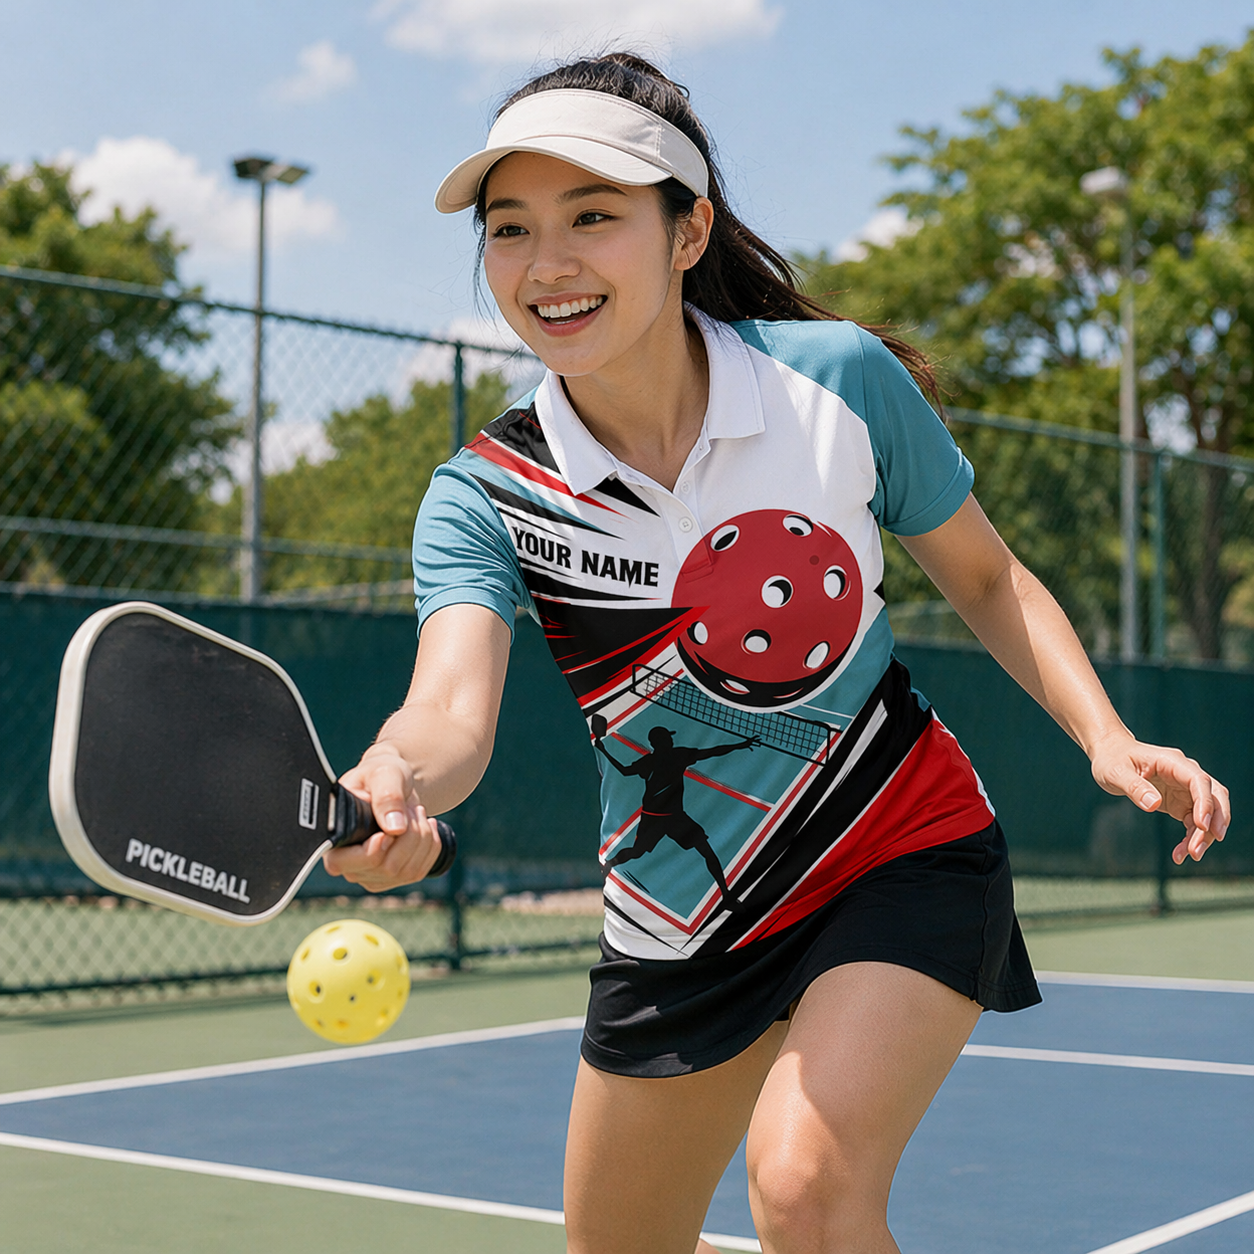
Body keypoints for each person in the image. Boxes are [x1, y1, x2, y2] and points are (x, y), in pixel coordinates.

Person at [324, 52, 1230, 1254]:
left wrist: (1107, 739)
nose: (546, 265)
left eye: (593, 217)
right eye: (509, 230)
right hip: (680, 925)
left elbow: (987, 574)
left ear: (688, 230)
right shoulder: (485, 494)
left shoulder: (837, 385)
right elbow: (449, 708)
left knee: (803, 1184)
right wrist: (395, 777)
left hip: (895, 847)